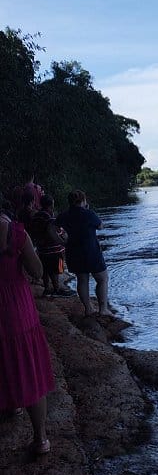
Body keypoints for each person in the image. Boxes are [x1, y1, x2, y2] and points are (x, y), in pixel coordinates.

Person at [0, 200, 55, 455]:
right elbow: (36, 271)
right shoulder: (16, 232)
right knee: (28, 368)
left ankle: (11, 405)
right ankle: (40, 438)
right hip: (16, 309)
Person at [56, 190, 112, 317]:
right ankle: (103, 308)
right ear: (83, 201)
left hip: (73, 252)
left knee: (82, 280)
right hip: (91, 251)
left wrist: (61, 241)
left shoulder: (64, 215)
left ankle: (88, 309)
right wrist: (88, 210)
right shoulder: (88, 214)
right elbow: (100, 226)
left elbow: (50, 228)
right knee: (102, 279)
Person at [29, 195, 72, 296]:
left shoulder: (36, 216)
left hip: (42, 249)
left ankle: (47, 288)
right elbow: (56, 231)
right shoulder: (50, 217)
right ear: (51, 205)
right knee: (57, 269)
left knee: (45, 269)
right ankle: (57, 288)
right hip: (54, 250)